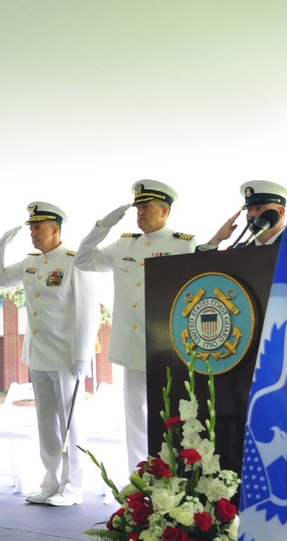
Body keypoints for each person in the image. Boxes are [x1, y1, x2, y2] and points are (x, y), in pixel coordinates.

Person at [74, 179, 197, 474]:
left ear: (165, 211)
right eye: (138, 207)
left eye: (146, 207)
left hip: (166, 347)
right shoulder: (124, 244)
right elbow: (83, 259)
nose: (139, 212)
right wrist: (102, 226)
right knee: (134, 417)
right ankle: (138, 480)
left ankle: (170, 477)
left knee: (168, 416)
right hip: (131, 348)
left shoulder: (183, 244)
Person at [0, 201, 102, 506]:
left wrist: (82, 356)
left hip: (67, 356)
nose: (33, 233)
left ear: (55, 229)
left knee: (70, 422)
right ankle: (51, 481)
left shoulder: (76, 261)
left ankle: (73, 486)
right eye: (31, 228)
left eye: (38, 228)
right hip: (38, 354)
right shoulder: (30, 263)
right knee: (46, 422)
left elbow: (89, 311)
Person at [196, 180, 287, 250]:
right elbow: (202, 272)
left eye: (259, 208)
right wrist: (217, 239)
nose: (251, 214)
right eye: (249, 210)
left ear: (281, 212)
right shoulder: (239, 249)